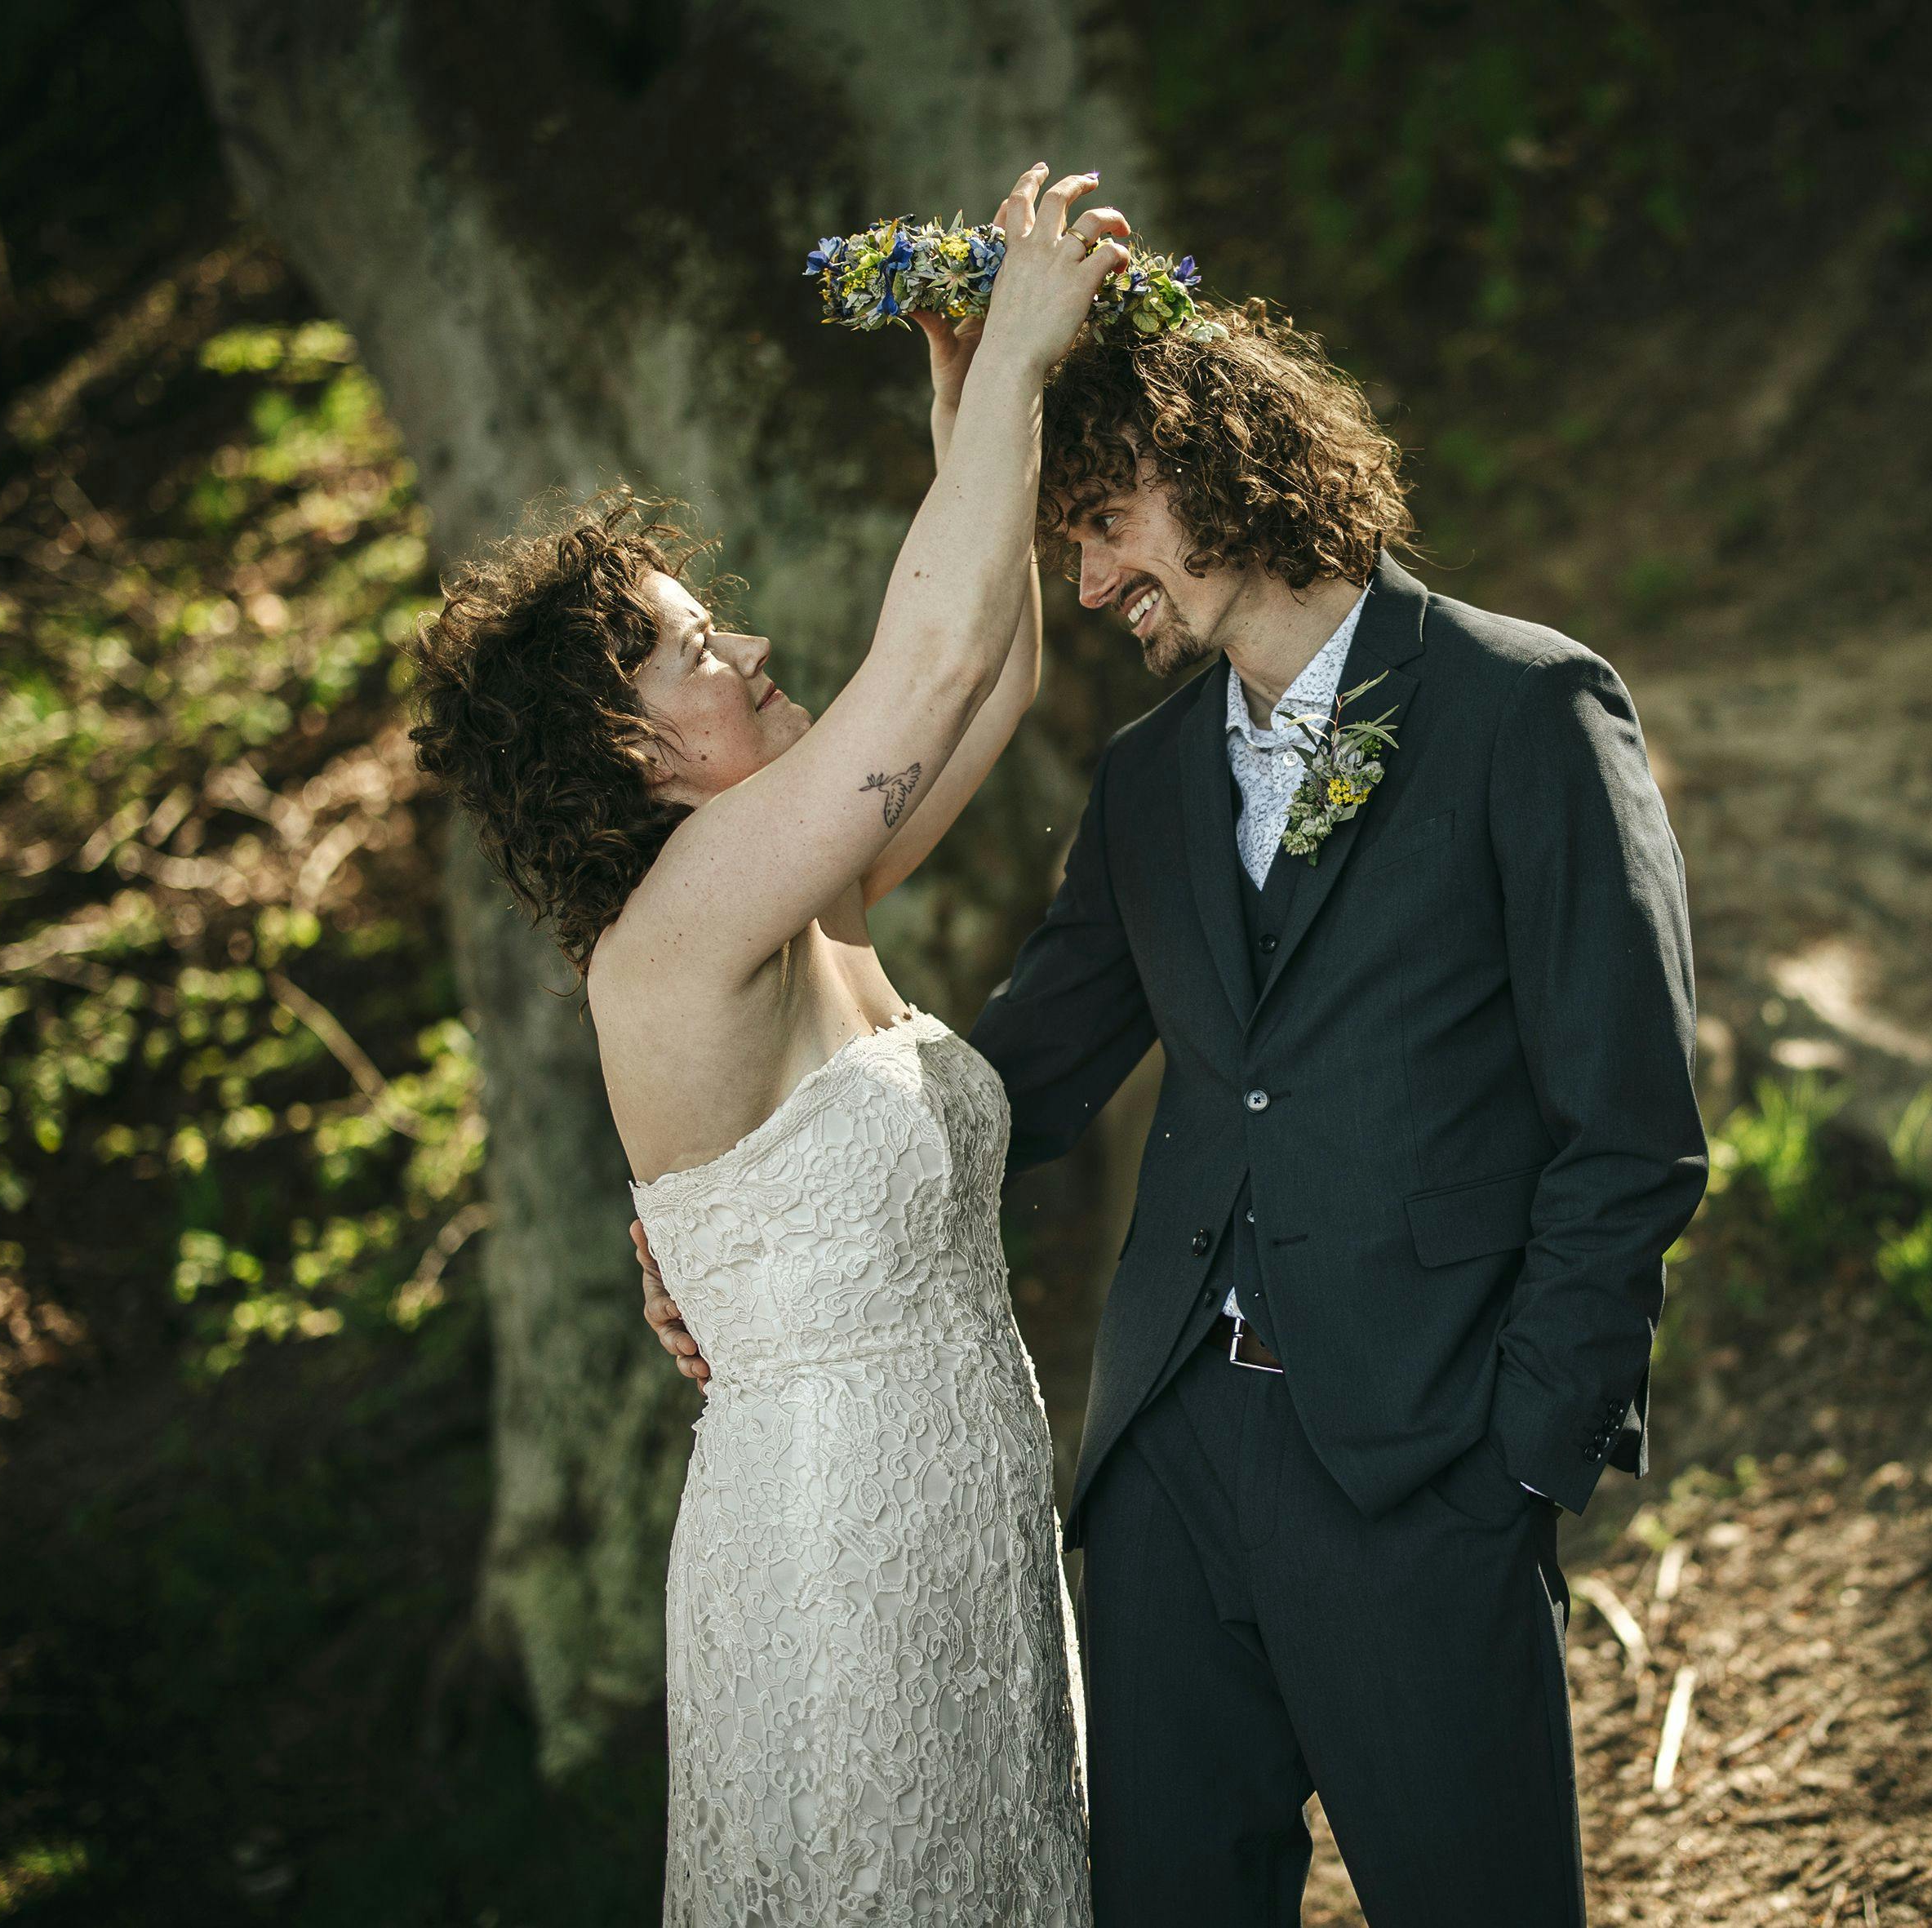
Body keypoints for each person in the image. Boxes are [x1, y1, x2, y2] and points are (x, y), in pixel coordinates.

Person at [641, 300, 1707, 1920]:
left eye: (1102, 524)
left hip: (1425, 1460)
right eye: (1063, 542)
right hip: (1165, 1473)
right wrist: (753, 1210)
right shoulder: (1146, 781)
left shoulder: (1526, 710)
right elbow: (1008, 1079)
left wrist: (1520, 1458)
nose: (1084, 583)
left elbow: (1627, 1127)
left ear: (1209, 461)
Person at [415, 163, 1126, 1927]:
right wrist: (1025, 356)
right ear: (632, 754)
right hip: (838, 1544)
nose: (742, 647)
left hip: (960, 1493)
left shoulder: (802, 897)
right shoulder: (684, 923)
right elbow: (928, 649)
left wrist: (971, 416)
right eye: (687, 648)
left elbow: (993, 669)